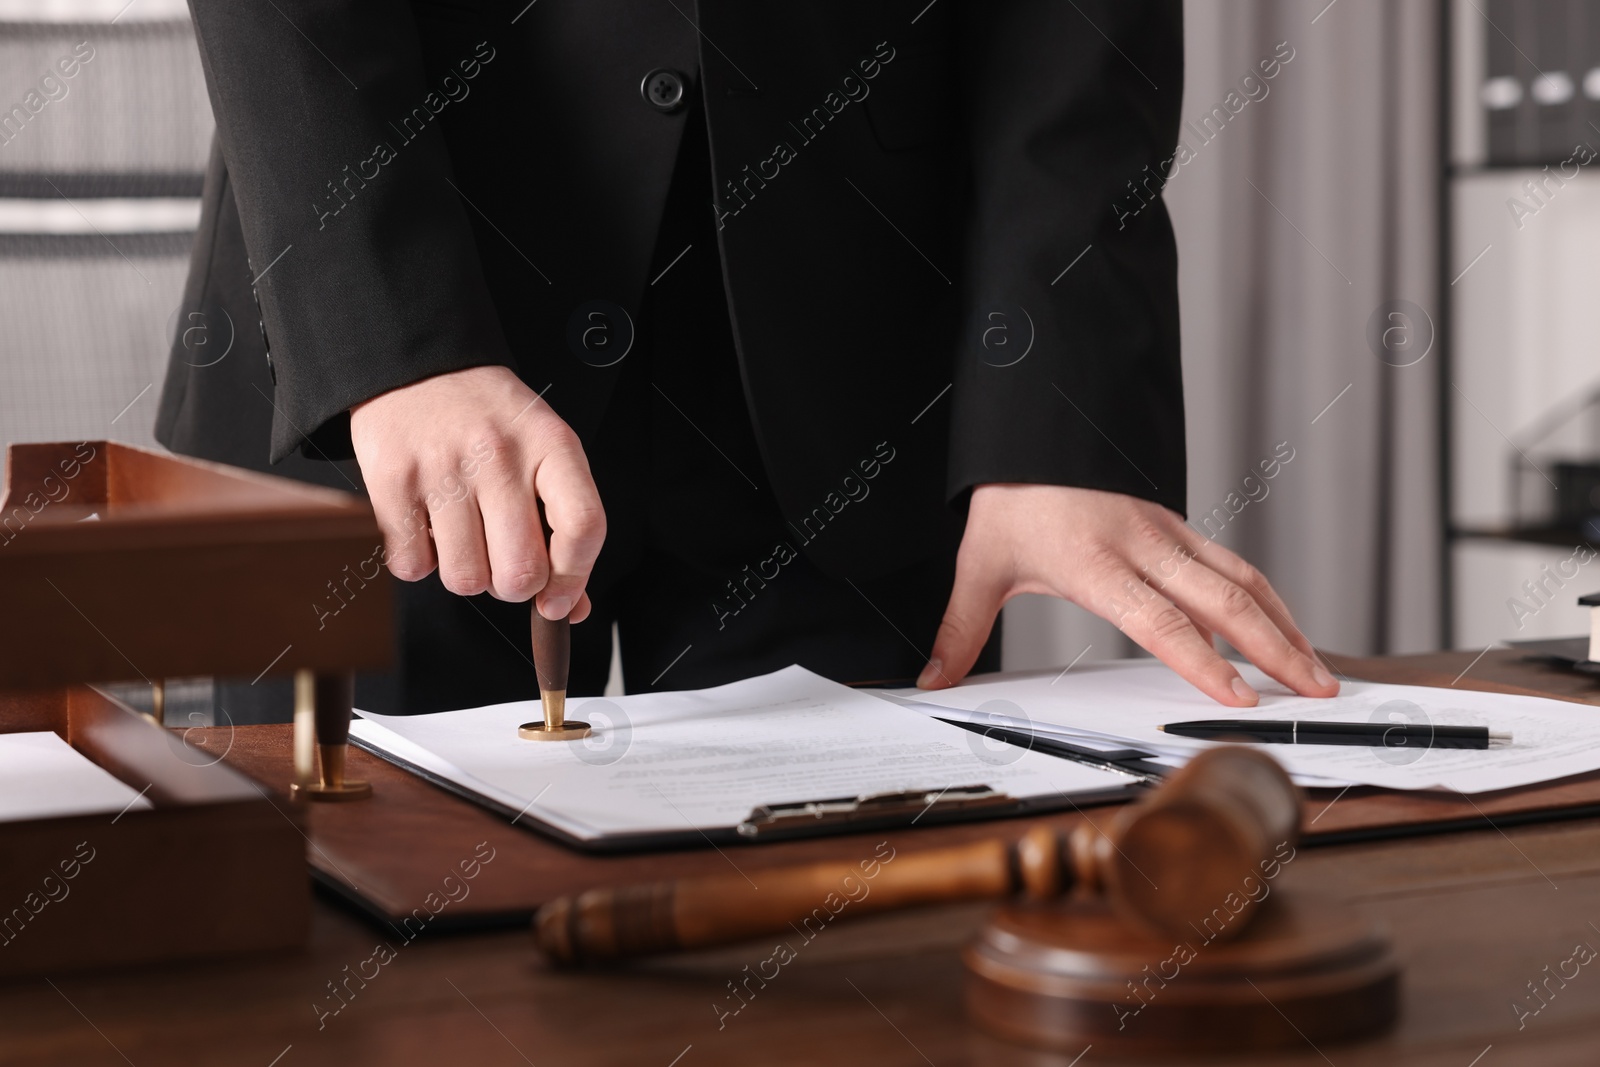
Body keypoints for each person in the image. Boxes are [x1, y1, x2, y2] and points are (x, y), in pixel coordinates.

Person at [157, 0, 1337, 714]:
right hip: (381, 367)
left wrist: (1052, 414)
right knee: (343, 964)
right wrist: (387, 339)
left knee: (853, 983)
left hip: (853, 381)